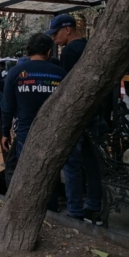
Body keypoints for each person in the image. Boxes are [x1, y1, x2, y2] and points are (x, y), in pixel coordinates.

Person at [47, 14, 107, 225]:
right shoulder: (91, 47)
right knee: (92, 164)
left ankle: (75, 212)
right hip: (95, 113)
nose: (54, 38)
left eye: (55, 33)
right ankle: (93, 207)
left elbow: (67, 87)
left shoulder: (70, 51)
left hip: (77, 116)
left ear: (68, 29)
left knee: (71, 165)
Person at [1, 34, 66, 208]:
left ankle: (28, 209)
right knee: (50, 173)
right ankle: (51, 210)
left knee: (27, 173)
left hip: (25, 133)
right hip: (54, 132)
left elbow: (7, 107)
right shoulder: (60, 73)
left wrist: (5, 132)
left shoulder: (15, 73)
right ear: (49, 52)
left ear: (28, 50)